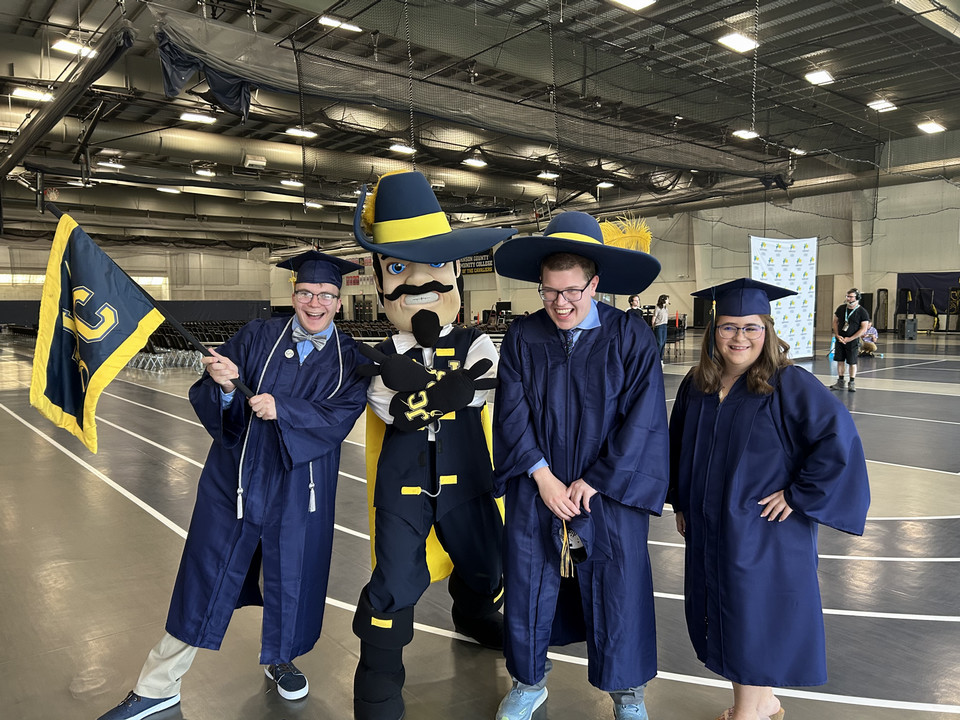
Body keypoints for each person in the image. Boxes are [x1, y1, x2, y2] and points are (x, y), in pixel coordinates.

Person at [96, 251, 371, 720]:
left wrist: (284, 409)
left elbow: (338, 419)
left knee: (290, 578)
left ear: (340, 302)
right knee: (204, 576)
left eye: (326, 295)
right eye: (306, 293)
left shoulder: (353, 361)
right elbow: (216, 400)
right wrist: (224, 387)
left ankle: (281, 659)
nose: (315, 303)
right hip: (237, 480)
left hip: (300, 487)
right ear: (293, 295)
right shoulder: (257, 336)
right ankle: (157, 685)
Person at [349, 170, 517, 720]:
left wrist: (422, 388)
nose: (418, 283)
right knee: (393, 582)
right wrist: (444, 390)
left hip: (470, 480)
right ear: (379, 283)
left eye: (433, 266)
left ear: (457, 274)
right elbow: (388, 412)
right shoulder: (380, 358)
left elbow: (484, 385)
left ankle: (473, 614)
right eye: (398, 267)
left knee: (487, 563)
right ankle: (378, 686)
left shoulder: (476, 340)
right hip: (403, 488)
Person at [491, 211, 668, 720]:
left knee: (619, 582)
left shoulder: (629, 334)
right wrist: (542, 476)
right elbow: (511, 411)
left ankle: (627, 691)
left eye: (572, 291)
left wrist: (596, 480)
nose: (561, 304)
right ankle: (529, 681)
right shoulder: (524, 336)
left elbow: (644, 416)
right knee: (528, 580)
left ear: (595, 283)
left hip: (607, 488)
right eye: (549, 292)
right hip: (537, 483)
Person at [668, 278, 870, 720]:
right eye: (728, 327)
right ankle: (764, 703)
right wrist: (681, 502)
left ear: (768, 331)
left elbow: (838, 440)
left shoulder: (788, 383)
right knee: (725, 611)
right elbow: (677, 445)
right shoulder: (697, 385)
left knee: (754, 615)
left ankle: (750, 712)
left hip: (764, 529)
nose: (739, 337)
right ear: (713, 332)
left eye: (751, 328)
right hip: (710, 524)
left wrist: (799, 495)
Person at [830, 288, 870, 392]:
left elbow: (864, 328)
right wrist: (837, 335)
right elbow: (835, 322)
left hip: (852, 340)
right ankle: (840, 381)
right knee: (840, 360)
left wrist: (850, 338)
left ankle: (852, 382)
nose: (848, 298)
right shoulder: (841, 308)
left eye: (851, 296)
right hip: (840, 339)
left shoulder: (862, 312)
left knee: (852, 362)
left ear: (857, 298)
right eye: (847, 296)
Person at [653, 294, 670, 361]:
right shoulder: (657, 308)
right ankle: (657, 358)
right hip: (659, 326)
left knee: (663, 342)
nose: (668, 300)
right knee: (659, 343)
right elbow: (654, 317)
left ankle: (661, 358)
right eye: (667, 299)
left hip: (664, 325)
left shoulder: (666, 308)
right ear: (663, 300)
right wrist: (654, 326)